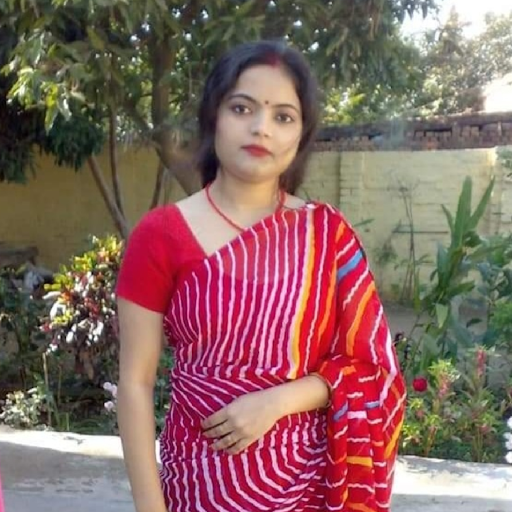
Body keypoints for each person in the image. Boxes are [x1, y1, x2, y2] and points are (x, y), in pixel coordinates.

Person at [115, 39, 406, 512]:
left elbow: (372, 370)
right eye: (242, 108)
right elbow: (135, 383)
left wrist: (275, 402)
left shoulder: (326, 237)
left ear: (301, 135)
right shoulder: (161, 235)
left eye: (283, 117)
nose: (261, 128)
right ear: (214, 115)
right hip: (197, 484)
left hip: (308, 488)